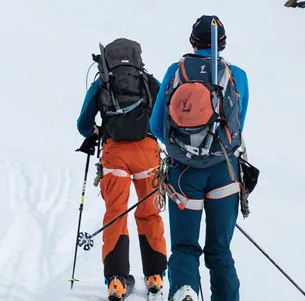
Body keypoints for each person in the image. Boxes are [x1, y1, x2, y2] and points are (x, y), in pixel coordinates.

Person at [150, 16, 249, 301]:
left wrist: (184, 147)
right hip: (225, 172)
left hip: (183, 173)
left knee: (184, 247)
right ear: (223, 42)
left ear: (193, 41)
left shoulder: (175, 71)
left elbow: (157, 125)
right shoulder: (237, 75)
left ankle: (184, 291)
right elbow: (238, 125)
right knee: (220, 250)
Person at [77, 37, 168, 301]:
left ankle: (116, 281)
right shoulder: (147, 81)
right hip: (147, 154)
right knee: (149, 213)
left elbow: (83, 123)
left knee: (116, 213)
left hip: (114, 154)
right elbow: (163, 115)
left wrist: (96, 130)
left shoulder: (103, 82)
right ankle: (155, 276)